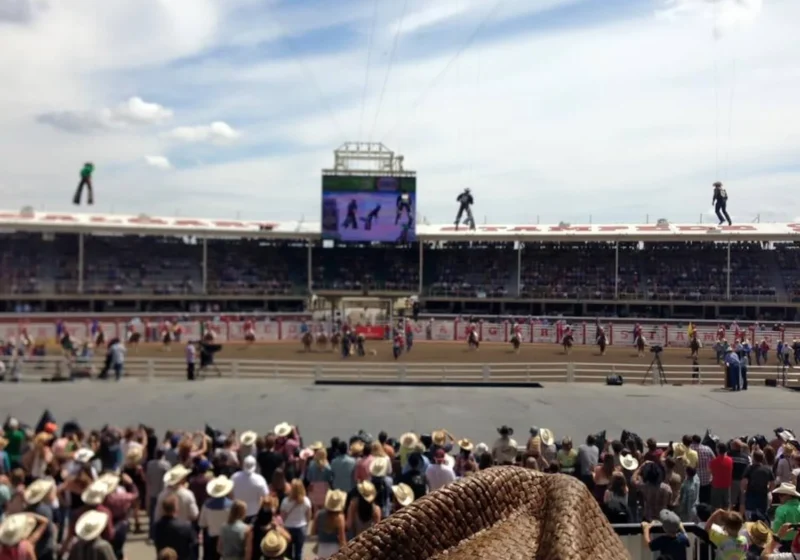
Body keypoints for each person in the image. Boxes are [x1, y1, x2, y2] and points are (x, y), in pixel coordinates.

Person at [279, 479, 311, 560]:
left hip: (288, 528)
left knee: (288, 553)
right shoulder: (306, 501)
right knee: (299, 553)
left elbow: (282, 517)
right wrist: (306, 524)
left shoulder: (285, 501)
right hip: (301, 527)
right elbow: (308, 516)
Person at [315, 490, 347, 558]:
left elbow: (314, 531)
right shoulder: (340, 517)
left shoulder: (319, 514)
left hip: (321, 548)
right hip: (335, 548)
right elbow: (342, 539)